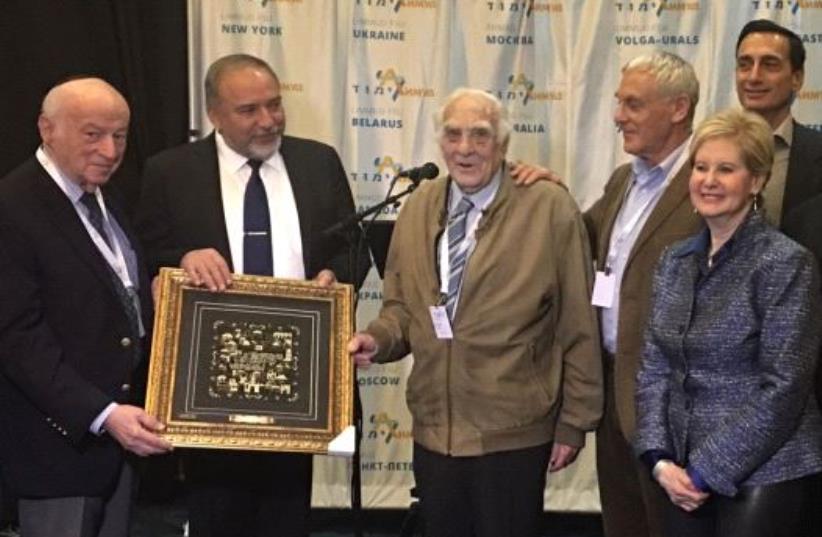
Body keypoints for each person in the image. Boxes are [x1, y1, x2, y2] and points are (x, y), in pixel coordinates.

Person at [347, 88, 603, 537]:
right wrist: (379, 338)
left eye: (480, 135)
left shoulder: (549, 207)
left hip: (513, 433)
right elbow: (402, 308)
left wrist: (574, 424)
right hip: (434, 433)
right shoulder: (419, 205)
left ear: (503, 144)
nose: (465, 148)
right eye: (453, 134)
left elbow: (578, 323)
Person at [136, 54, 369, 537]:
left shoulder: (318, 162)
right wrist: (182, 258)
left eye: (275, 105)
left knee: (287, 518)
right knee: (218, 514)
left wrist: (331, 277)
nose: (268, 121)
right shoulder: (169, 172)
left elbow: (353, 248)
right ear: (214, 115)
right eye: (249, 110)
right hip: (209, 392)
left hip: (298, 387)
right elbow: (142, 255)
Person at [634, 107, 822, 537]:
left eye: (725, 169)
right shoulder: (673, 261)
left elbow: (785, 385)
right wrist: (658, 458)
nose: (709, 180)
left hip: (767, 471)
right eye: (701, 167)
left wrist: (705, 471)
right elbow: (653, 369)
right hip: (679, 473)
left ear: (756, 180)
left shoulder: (786, 263)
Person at [0, 77, 172, 537]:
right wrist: (102, 414)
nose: (110, 150)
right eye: (92, 134)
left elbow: (114, 300)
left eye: (119, 136)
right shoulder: (12, 208)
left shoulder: (107, 200)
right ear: (46, 128)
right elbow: (17, 339)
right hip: (55, 453)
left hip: (117, 448)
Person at [579, 51, 703, 537]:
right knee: (624, 523)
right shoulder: (622, 181)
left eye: (633, 104)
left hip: (674, 400)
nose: (617, 116)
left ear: (678, 108)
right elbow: (576, 241)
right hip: (612, 389)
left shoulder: (708, 180)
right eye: (618, 103)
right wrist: (539, 195)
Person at [734, 19, 822, 229]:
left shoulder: (817, 151)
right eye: (744, 65)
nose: (753, 77)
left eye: (769, 65)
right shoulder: (707, 150)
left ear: (797, 79)